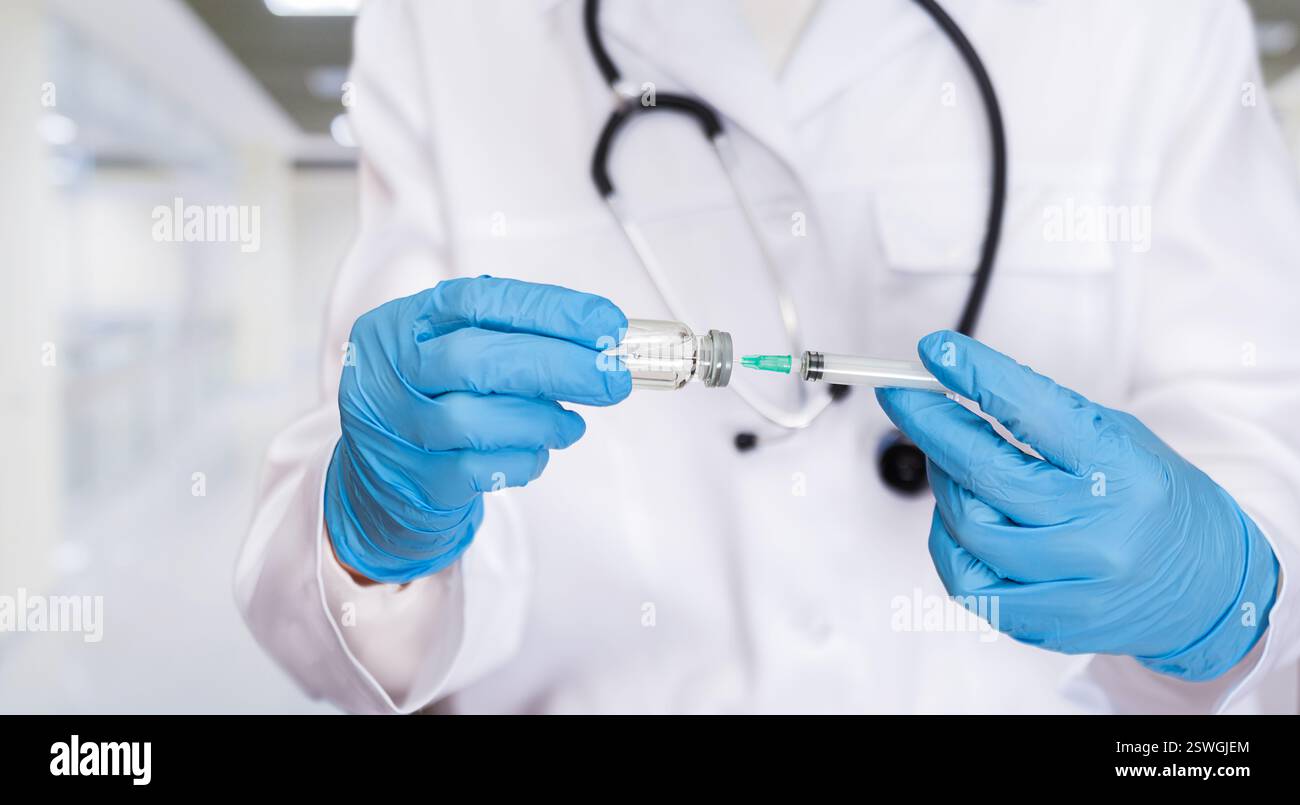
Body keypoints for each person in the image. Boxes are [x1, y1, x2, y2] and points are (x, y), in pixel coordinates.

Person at [236, 0, 1300, 714]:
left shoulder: (1145, 22)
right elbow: (347, 615)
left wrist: (1222, 593)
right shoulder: (449, 25)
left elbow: (1256, 421)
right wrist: (379, 539)